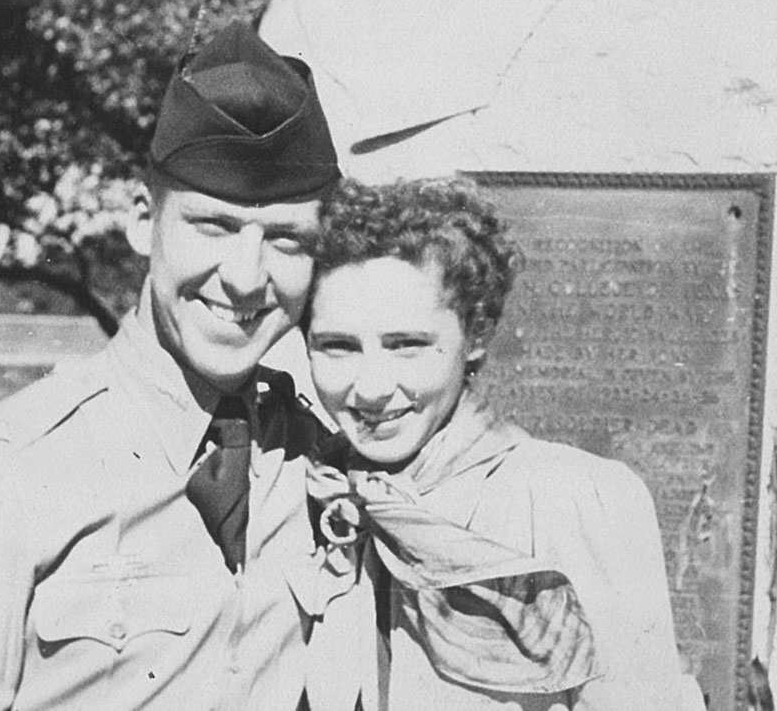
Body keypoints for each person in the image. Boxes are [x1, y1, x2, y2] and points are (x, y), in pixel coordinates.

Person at [0, 21, 356, 711]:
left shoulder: (315, 455)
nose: (247, 278)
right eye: (212, 226)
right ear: (140, 219)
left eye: (286, 238)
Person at [303, 177, 706, 710]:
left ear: (477, 335)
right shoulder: (309, 494)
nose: (372, 388)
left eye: (407, 346)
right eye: (338, 347)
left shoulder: (577, 499)